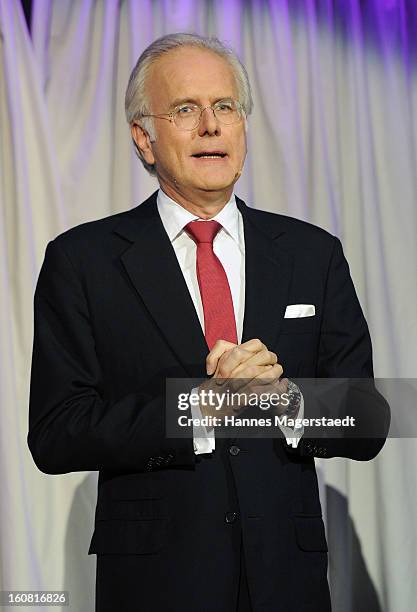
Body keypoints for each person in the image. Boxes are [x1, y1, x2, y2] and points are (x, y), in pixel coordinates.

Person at [28, 33, 390, 612]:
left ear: (243, 127)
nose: (210, 126)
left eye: (225, 107)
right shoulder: (83, 260)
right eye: (185, 110)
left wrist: (285, 400)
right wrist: (196, 408)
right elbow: (55, 433)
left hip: (286, 582)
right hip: (157, 584)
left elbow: (369, 416)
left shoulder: (311, 252)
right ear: (144, 139)